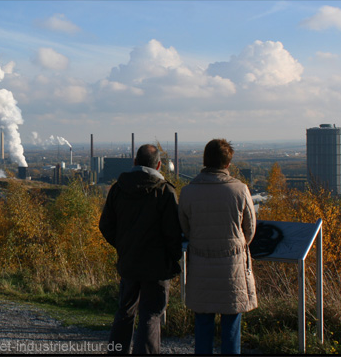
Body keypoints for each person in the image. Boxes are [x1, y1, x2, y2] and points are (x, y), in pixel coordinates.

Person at [99, 144, 182, 354]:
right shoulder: (164, 191)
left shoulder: (118, 189)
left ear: (135, 162)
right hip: (157, 266)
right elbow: (174, 233)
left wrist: (124, 246)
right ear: (160, 165)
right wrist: (173, 260)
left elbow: (106, 225)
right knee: (151, 314)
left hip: (129, 262)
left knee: (125, 311)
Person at [178, 138, 257, 355]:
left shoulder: (188, 191)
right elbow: (250, 229)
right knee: (231, 324)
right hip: (232, 267)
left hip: (201, 265)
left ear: (205, 160)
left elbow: (185, 227)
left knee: (203, 322)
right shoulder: (240, 190)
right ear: (227, 163)